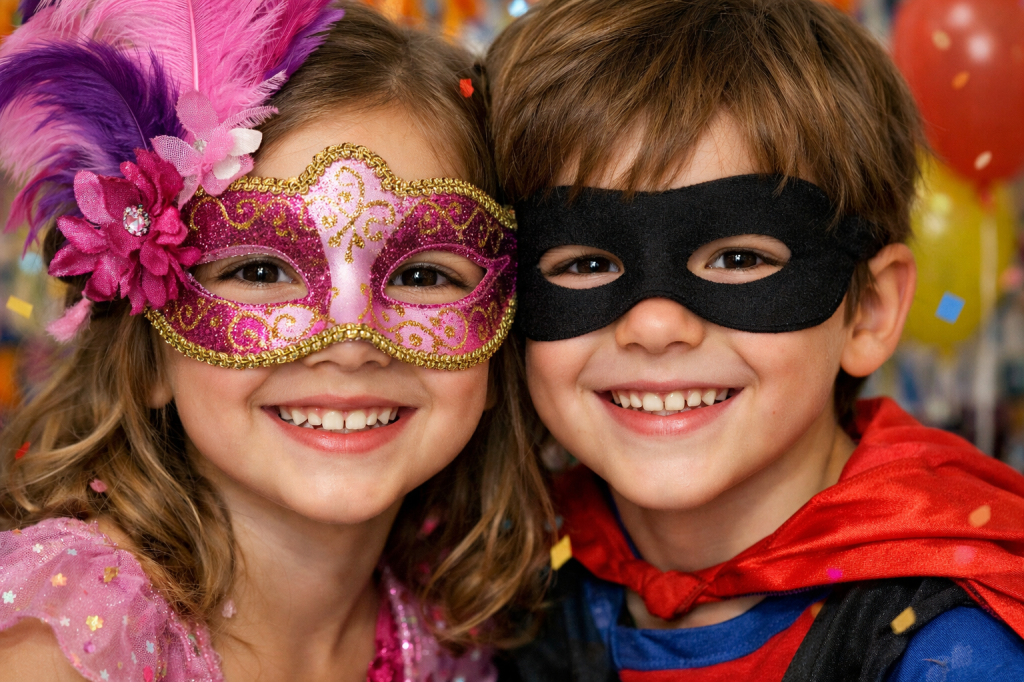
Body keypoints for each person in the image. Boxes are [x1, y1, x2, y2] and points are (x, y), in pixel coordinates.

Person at [0, 3, 551, 681]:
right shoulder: (62, 643)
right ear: (146, 357)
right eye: (260, 270)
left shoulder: (456, 630)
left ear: (499, 340)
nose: (352, 341)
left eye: (422, 273)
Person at [485, 0, 1024, 679]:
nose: (654, 326)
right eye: (585, 263)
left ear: (871, 311)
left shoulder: (954, 651)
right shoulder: (500, 594)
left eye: (739, 259)